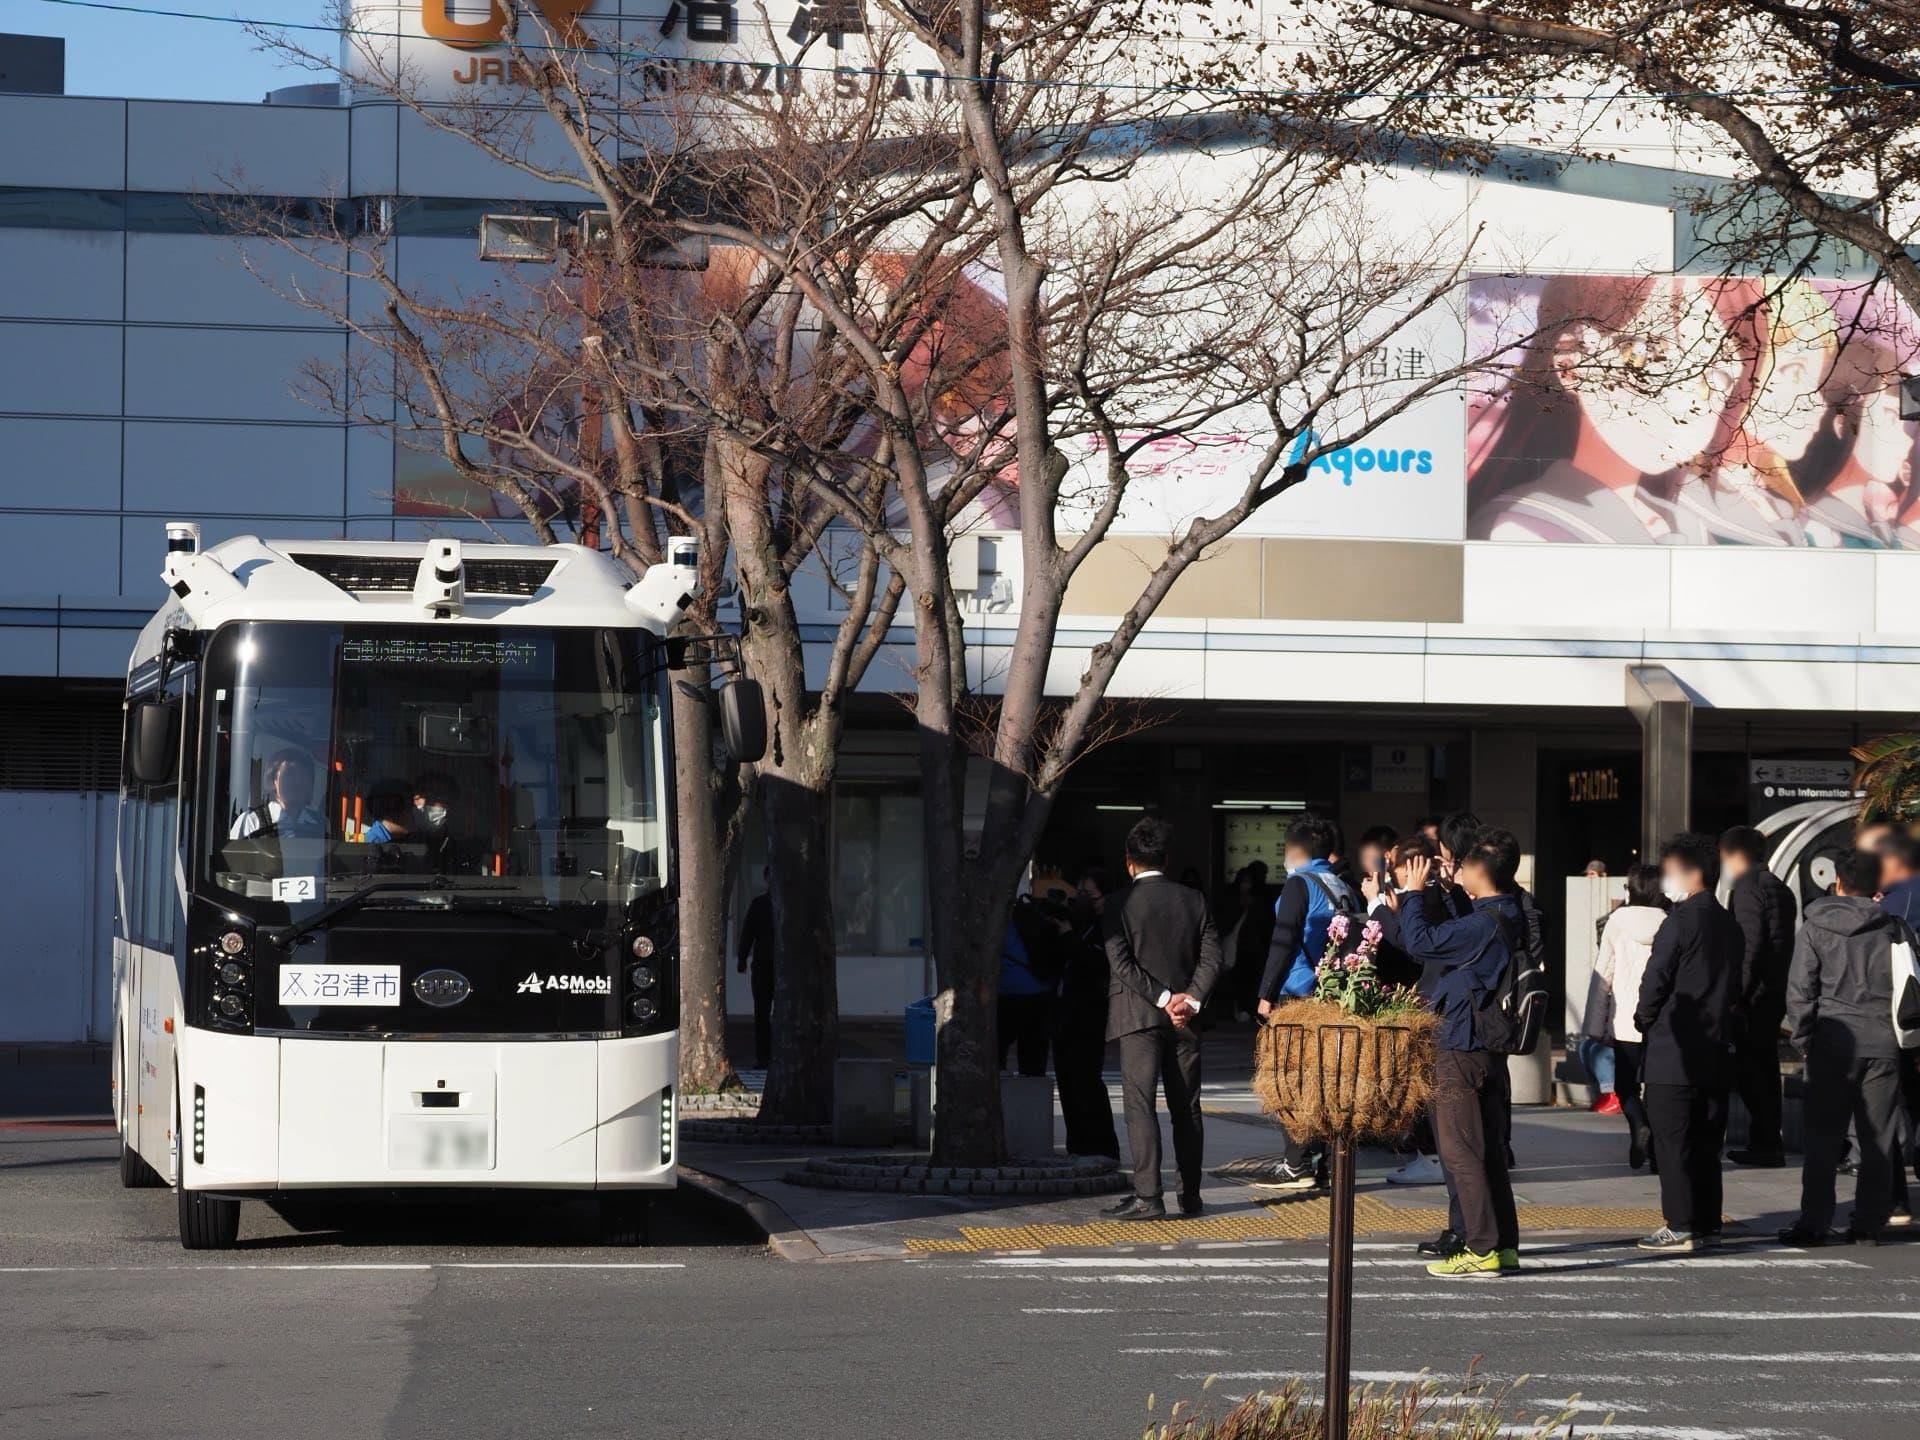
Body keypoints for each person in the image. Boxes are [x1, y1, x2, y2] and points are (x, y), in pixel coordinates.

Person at [1397, 841, 1524, 1277]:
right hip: (1484, 1048)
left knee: (1461, 1153)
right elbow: (1459, 938)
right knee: (1486, 1152)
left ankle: (1482, 1247)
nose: (1457, 872)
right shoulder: (1506, 913)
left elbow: (1420, 943)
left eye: (1463, 866)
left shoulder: (1484, 924)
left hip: (1460, 1047)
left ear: (1480, 870)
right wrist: (1452, 893)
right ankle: (1503, 1245)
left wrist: (1411, 893)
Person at [1779, 847, 1911, 1246]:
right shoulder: (1895, 928)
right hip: (1884, 1043)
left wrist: (1802, 1039)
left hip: (1832, 1043)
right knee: (1878, 1139)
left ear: (1838, 881)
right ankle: (1869, 1223)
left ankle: (1814, 1223)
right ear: (1877, 887)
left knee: (1822, 1138)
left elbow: (1800, 990)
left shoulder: (1816, 926)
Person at [1101, 818, 1223, 1220]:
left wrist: (1164, 997)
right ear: (1167, 859)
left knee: (1140, 1105)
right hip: (1185, 1019)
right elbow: (1212, 958)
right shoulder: (1194, 900)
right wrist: (1189, 1000)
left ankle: (1148, 1196)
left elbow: (1120, 962)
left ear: (1129, 862)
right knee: (1186, 1107)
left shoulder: (1117, 903)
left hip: (1138, 1016)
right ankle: (1191, 1197)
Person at [1634, 834, 1744, 1253]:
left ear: (1692, 873)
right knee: (1707, 1141)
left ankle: (1679, 1223)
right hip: (1716, 1045)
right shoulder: (1729, 924)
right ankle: (1707, 1222)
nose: (1665, 879)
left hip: (1673, 1047)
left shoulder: (1678, 922)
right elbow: (1737, 985)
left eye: (1670, 871)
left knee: (1673, 1140)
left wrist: (1643, 1019)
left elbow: (1655, 980)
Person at [1252, 814, 1359, 1190]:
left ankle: (1297, 1165)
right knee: (1326, 1083)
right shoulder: (1344, 886)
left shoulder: (1300, 884)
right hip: (1335, 997)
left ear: (1292, 850)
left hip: (1299, 995)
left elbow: (1283, 943)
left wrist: (1266, 994)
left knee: (1291, 1081)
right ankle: (1324, 1164)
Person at [1362, 833, 1448, 1189]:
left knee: (1428, 1082)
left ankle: (1431, 1156)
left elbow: (1413, 945)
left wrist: (1377, 909)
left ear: (1412, 866)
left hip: (1432, 1001)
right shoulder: (1434, 895)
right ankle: (1427, 1153)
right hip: (1429, 999)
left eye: (1394, 866)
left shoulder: (1427, 896)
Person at [1720, 825, 1799, 1166]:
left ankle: (1765, 1142)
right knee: (1764, 1069)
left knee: (1752, 1072)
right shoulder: (1780, 889)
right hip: (1774, 991)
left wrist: (1736, 994)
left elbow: (1748, 948)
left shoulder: (1748, 887)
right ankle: (1767, 1140)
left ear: (1733, 855)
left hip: (1753, 997)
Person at [1584, 863, 1668, 1169]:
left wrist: (1594, 1026)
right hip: (1659, 1021)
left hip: (1624, 1023)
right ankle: (1658, 1155)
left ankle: (1638, 1126)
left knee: (1625, 1086)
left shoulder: (1618, 920)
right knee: (1657, 1089)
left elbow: (1602, 974)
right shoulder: (1670, 921)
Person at [1054, 866, 1119, 1160]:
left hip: (1090, 1012)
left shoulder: (1110, 926)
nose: (1081, 899)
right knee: (1068, 1078)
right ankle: (1078, 1144)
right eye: (1079, 892)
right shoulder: (1083, 923)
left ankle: (1101, 1147)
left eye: (1088, 894)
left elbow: (1097, 963)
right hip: (1068, 1011)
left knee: (1086, 1080)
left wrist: (1069, 938)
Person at [998, 896, 1060, 1077]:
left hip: (1008, 996)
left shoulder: (1002, 928)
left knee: (997, 1050)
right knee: (1033, 1057)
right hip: (1041, 995)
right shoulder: (1036, 922)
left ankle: (1000, 1094)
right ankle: (1033, 1099)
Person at [230, 748, 324, 839]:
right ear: (273, 780)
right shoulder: (250, 821)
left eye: (303, 776)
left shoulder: (321, 825)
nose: (297, 781)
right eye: (290, 774)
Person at [735, 867, 775, 1070]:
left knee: (767, 1014)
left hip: (771, 966)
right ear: (766, 879)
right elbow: (747, 933)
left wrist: (742, 958)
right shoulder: (760, 905)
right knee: (762, 1014)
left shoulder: (763, 904)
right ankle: (764, 1056)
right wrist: (742, 958)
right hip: (764, 966)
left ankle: (767, 1056)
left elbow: (747, 934)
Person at [1224, 863, 1275, 1020]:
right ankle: (1238, 1009)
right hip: (1238, 946)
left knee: (1250, 978)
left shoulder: (1261, 901)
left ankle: (1246, 1009)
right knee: (1237, 979)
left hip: (1253, 946)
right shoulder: (1231, 899)